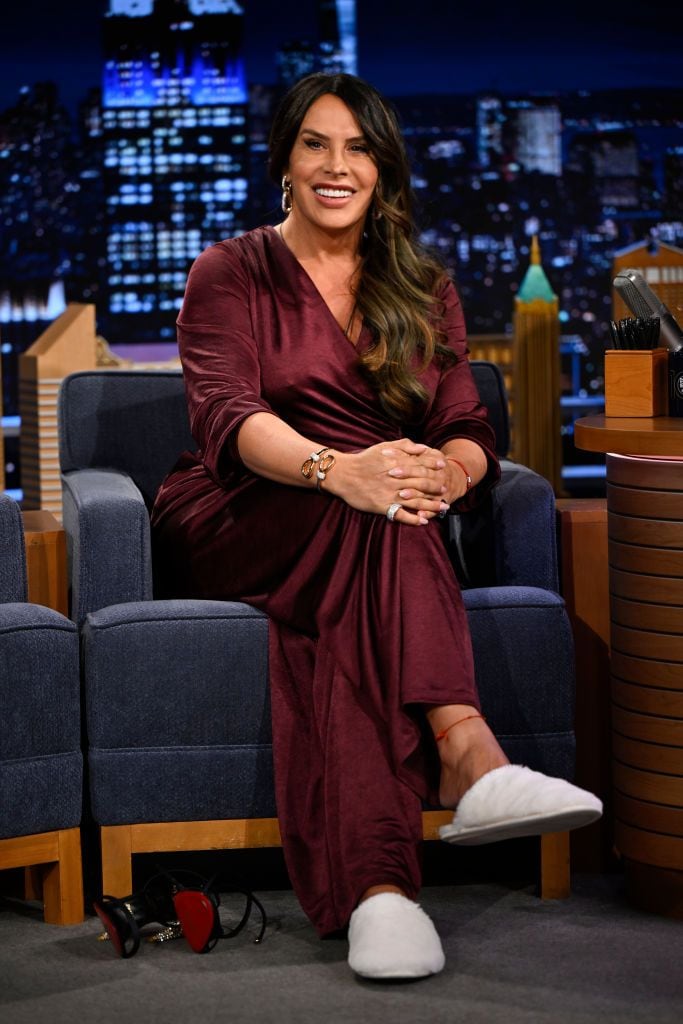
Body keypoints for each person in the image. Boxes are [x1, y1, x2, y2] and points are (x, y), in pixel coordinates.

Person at [150, 72, 602, 980]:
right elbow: (227, 418)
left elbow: (471, 428)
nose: (335, 165)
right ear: (284, 160)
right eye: (315, 144)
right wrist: (337, 469)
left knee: (388, 517)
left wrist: (447, 468)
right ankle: (463, 752)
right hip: (241, 507)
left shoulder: (420, 284)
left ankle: (382, 894)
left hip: (369, 519)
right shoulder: (229, 271)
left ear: (384, 169)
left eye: (357, 148)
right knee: (381, 507)